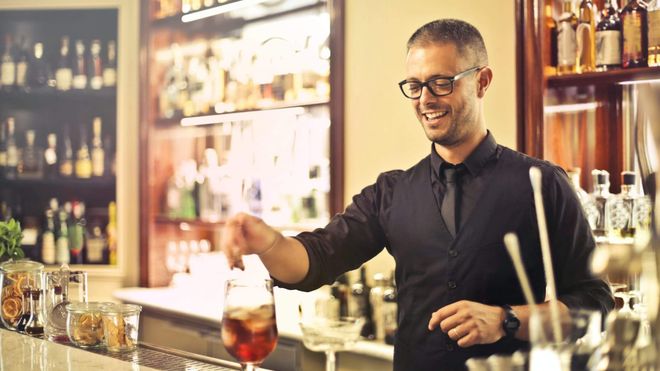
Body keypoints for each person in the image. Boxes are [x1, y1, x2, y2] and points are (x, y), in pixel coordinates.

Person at [220, 19, 614, 370]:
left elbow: (593, 305)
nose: (425, 98)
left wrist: (506, 319)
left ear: (482, 81)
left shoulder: (541, 183)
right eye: (415, 85)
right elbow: (316, 259)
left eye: (442, 82)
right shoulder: (391, 192)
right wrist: (267, 241)